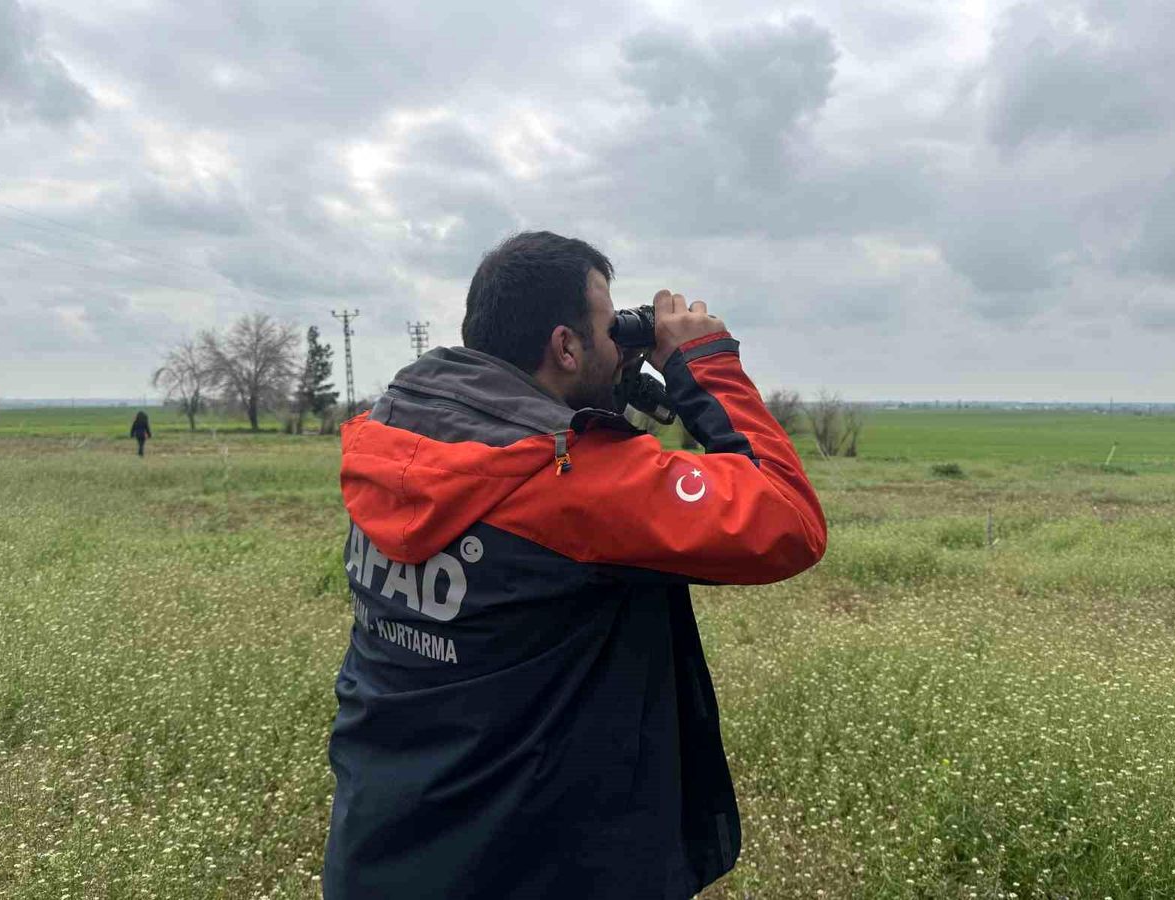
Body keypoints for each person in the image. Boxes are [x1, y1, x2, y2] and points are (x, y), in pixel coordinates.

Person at [323, 231, 827, 899]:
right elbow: (788, 518)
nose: (621, 342)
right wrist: (704, 362)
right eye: (608, 325)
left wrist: (606, 385)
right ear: (564, 346)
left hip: (381, 854)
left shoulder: (396, 437)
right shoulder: (575, 483)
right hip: (527, 870)